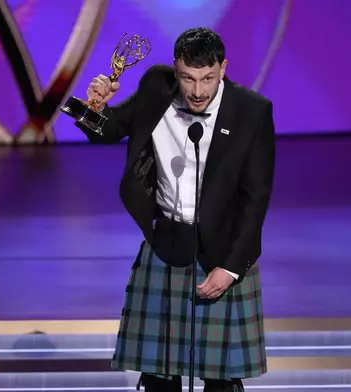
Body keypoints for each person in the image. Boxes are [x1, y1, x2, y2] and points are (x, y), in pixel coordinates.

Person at [75, 27, 275, 392]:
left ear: (223, 68)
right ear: (175, 68)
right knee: (158, 377)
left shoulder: (251, 111)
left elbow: (255, 199)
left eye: (208, 79)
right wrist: (94, 108)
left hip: (223, 249)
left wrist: (231, 268)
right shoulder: (156, 87)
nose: (198, 91)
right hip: (166, 243)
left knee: (221, 380)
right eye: (188, 78)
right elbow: (111, 129)